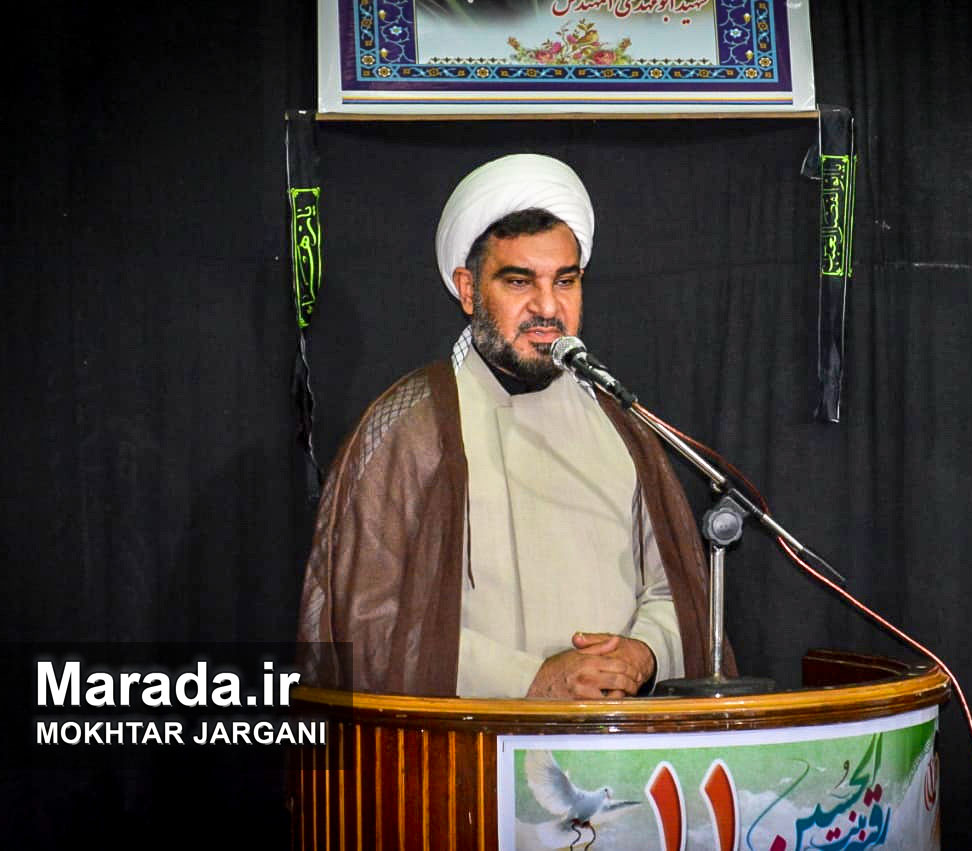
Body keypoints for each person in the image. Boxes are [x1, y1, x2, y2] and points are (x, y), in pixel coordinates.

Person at [296, 154, 731, 698]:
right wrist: (530, 680)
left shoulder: (622, 423)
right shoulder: (410, 428)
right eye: (520, 281)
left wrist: (643, 654)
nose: (547, 307)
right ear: (468, 289)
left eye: (565, 281)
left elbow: (677, 596)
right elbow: (369, 623)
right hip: (470, 740)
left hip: (617, 736)